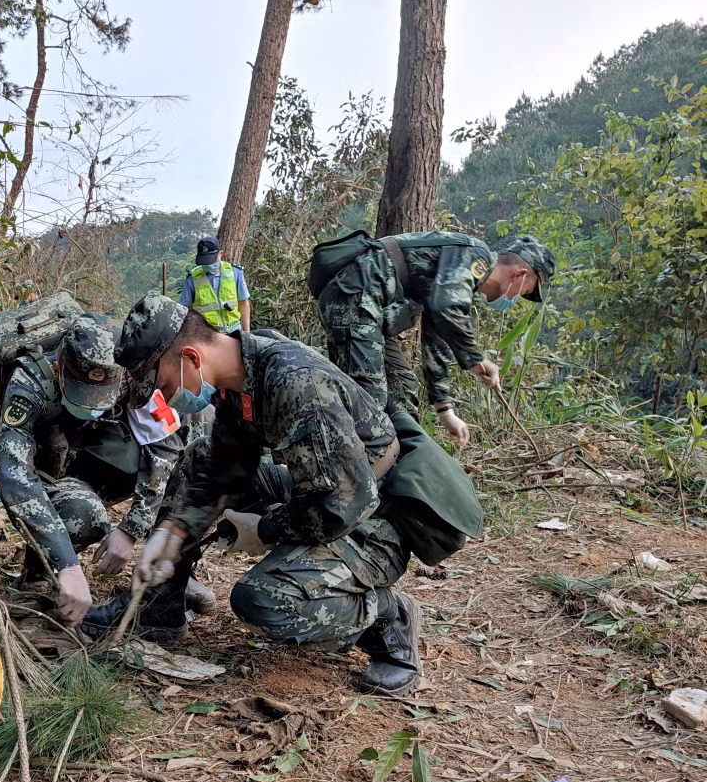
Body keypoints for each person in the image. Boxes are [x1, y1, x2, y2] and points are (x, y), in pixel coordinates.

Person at [87, 293, 482, 696]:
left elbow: (339, 506)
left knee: (264, 600)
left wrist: (264, 528)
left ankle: (387, 617)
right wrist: (172, 533)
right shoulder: (240, 374)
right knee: (200, 458)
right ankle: (159, 607)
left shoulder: (295, 382)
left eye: (163, 384)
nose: (165, 397)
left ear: (190, 358)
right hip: (322, 489)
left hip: (376, 517)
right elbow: (226, 467)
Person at [0, 312, 212, 626]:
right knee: (81, 514)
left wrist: (130, 531)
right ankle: (40, 570)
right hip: (55, 471)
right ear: (58, 370)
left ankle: (165, 580)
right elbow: (15, 478)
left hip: (102, 456)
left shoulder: (131, 371)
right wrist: (67, 565)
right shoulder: (29, 384)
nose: (92, 406)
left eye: (100, 399)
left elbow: (164, 448)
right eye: (82, 396)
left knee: (192, 455)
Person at [312, 232, 555, 445]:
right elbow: (445, 308)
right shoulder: (475, 255)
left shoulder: (460, 279)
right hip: (354, 299)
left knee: (403, 390)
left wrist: (445, 409)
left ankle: (403, 469)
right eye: (526, 291)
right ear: (520, 274)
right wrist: (476, 360)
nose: (518, 297)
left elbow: (436, 334)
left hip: (369, 310)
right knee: (369, 403)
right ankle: (349, 478)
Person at [180, 236, 252, 334]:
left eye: (211, 259)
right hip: (206, 335)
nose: (208, 263)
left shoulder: (235, 272)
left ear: (220, 254)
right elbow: (185, 309)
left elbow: (243, 302)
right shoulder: (192, 278)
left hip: (234, 332)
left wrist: (247, 332)